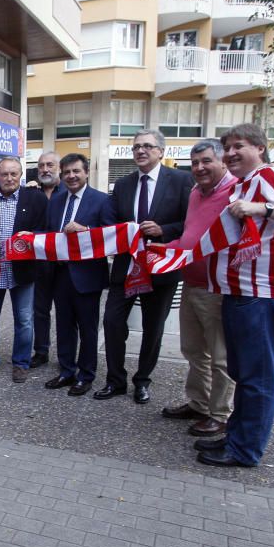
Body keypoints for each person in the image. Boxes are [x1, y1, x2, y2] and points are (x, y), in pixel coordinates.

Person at [195, 124, 274, 468]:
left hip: (262, 297)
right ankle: (239, 435)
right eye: (228, 148)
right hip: (241, 295)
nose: (231, 153)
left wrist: (261, 209)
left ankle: (244, 449)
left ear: (260, 148)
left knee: (257, 377)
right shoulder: (245, 185)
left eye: (239, 146)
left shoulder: (268, 177)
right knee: (244, 372)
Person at [96, 129, 193, 404]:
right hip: (126, 267)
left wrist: (164, 229)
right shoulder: (123, 185)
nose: (141, 151)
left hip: (161, 268)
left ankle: (142, 381)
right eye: (137, 146)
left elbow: (190, 222)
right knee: (112, 322)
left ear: (161, 151)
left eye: (148, 146)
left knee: (153, 328)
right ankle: (116, 380)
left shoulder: (181, 181)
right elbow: (111, 224)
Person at [161, 140, 237, 437]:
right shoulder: (195, 193)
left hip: (217, 287)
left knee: (220, 356)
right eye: (194, 163)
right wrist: (162, 249)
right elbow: (190, 237)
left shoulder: (235, 192)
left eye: (206, 161)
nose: (199, 168)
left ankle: (220, 414)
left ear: (222, 161)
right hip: (191, 283)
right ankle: (199, 403)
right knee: (193, 350)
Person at [0, 156, 48, 383]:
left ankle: (21, 363)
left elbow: (45, 231)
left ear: (21, 175)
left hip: (23, 271)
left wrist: (32, 237)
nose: (9, 178)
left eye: (14, 173)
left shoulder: (36, 198)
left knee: (24, 320)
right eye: (4, 174)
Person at [41, 154, 110, 396]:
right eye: (67, 172)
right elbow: (49, 233)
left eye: (76, 171)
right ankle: (66, 370)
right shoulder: (56, 201)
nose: (71, 176)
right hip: (60, 274)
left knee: (88, 328)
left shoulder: (101, 200)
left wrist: (87, 231)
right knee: (64, 326)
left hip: (87, 276)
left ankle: (86, 375)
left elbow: (109, 236)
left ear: (86, 172)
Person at [31, 151, 63, 369]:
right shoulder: (31, 192)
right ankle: (41, 351)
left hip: (63, 262)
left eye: (50, 165)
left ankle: (65, 354)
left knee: (65, 311)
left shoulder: (68, 191)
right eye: (41, 166)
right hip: (39, 262)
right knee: (40, 310)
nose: (45, 169)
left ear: (59, 167)